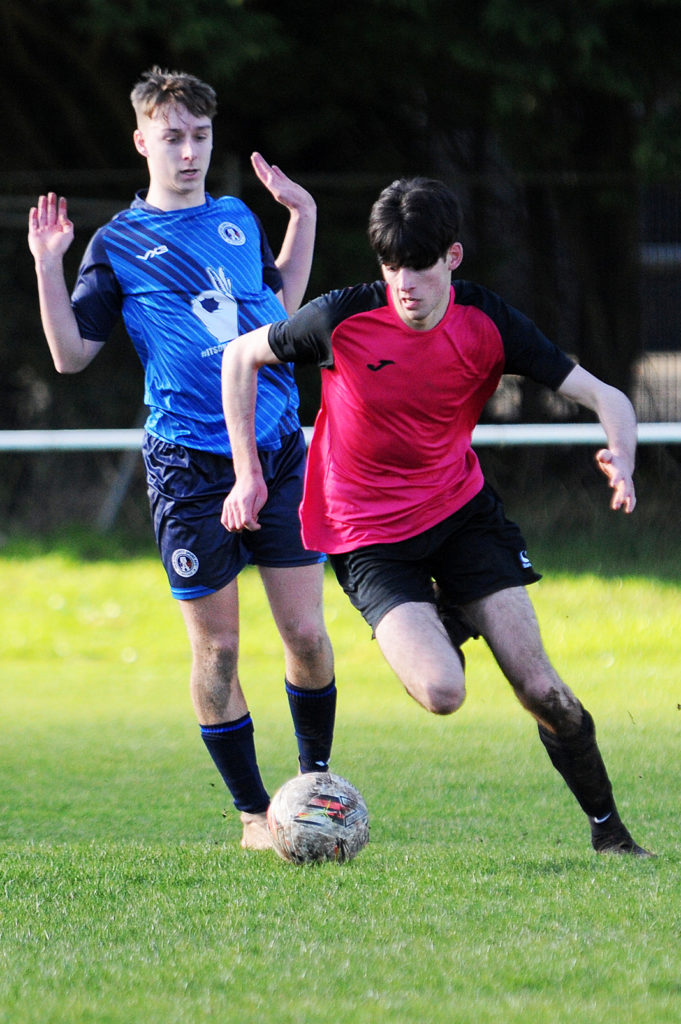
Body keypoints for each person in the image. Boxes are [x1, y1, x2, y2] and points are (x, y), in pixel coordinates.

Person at [221, 175, 652, 856]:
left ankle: (611, 836)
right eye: (390, 267)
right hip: (367, 537)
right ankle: (445, 618)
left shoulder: (487, 322)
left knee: (543, 690)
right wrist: (247, 475)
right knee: (442, 692)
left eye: (418, 267)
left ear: (451, 257)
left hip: (461, 517)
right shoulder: (341, 319)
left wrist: (621, 459)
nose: (403, 284)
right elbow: (240, 355)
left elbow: (607, 397)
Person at [27, 66, 336, 851]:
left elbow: (282, 316)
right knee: (220, 649)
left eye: (200, 137)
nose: (189, 152)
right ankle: (250, 814)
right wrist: (47, 264)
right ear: (141, 142)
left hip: (277, 450)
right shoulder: (120, 244)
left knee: (303, 633)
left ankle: (314, 789)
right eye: (172, 138)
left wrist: (301, 217)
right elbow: (68, 356)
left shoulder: (236, 217)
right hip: (189, 464)